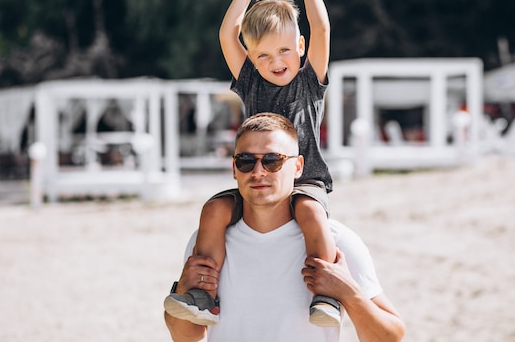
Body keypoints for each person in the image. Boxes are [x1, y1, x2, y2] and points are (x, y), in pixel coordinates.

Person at [164, 0, 339, 327]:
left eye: (283, 52)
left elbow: (322, 27)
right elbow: (228, 36)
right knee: (214, 210)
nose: (274, 62)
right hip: (255, 177)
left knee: (310, 211)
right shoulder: (250, 83)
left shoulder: (310, 81)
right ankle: (202, 295)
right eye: (262, 56)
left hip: (304, 179)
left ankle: (326, 295)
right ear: (252, 58)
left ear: (301, 47)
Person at [164, 113, 406, 342]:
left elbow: (391, 336)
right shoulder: (208, 239)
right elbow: (187, 337)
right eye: (246, 161)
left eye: (272, 161)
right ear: (234, 169)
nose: (258, 172)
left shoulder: (337, 241)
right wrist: (184, 288)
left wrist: (350, 293)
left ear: (298, 167)